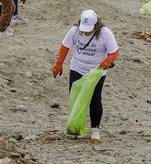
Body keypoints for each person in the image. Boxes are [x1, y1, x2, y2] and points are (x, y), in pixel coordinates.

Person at [51, 10, 120, 143]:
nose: (85, 32)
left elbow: (114, 51)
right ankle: (76, 126)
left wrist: (107, 61)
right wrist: (59, 64)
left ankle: (95, 129)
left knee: (95, 99)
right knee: (75, 97)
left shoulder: (105, 34)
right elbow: (65, 46)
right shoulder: (74, 31)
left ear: (96, 25)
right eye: (84, 29)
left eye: (89, 30)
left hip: (96, 71)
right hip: (77, 67)